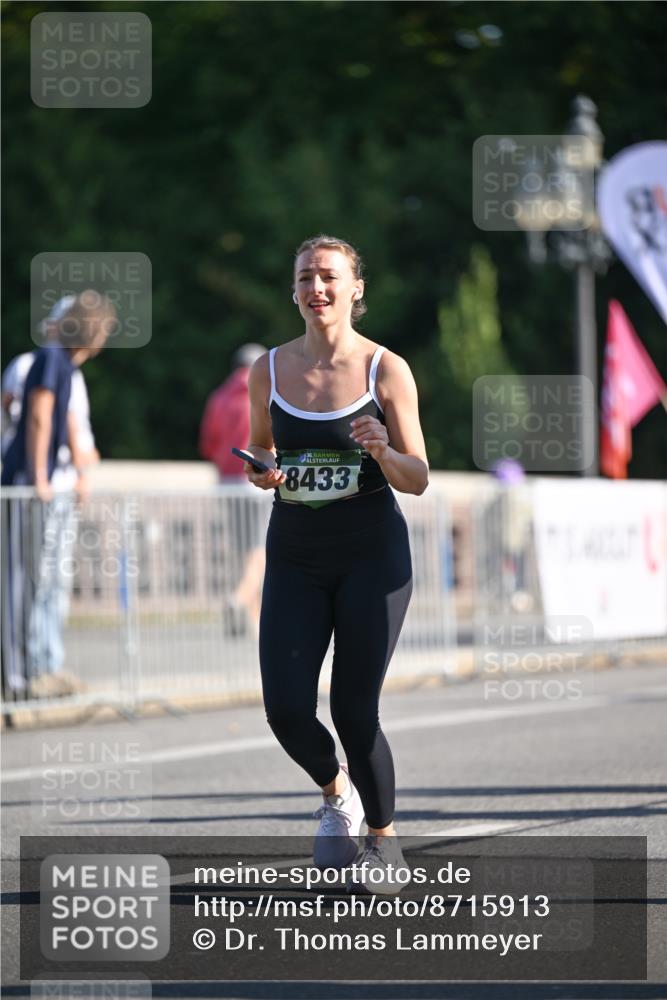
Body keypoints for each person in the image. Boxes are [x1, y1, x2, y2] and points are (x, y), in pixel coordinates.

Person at [244, 234, 429, 894]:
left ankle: (382, 839)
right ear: (293, 291)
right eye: (304, 277)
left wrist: (382, 451)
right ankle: (335, 793)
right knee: (285, 709)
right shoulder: (267, 370)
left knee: (353, 710)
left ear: (355, 289)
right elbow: (262, 450)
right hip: (295, 556)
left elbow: (417, 478)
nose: (315, 288)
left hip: (371, 557)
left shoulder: (386, 369)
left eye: (328, 276)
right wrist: (263, 471)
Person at [1, 290, 115, 699]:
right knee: (25, 581)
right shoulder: (50, 358)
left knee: (42, 580)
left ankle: (34, 670)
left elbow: (60, 421)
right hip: (33, 485)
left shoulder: (61, 363)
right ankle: (19, 675)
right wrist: (39, 477)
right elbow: (39, 415)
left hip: (44, 483)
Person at [199, 343, 268, 635]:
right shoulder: (263, 393)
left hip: (226, 482)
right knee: (260, 549)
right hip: (256, 481)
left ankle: (252, 618)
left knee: (242, 550)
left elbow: (208, 444)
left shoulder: (218, 397)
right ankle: (239, 599)